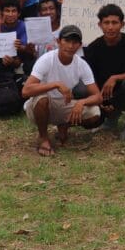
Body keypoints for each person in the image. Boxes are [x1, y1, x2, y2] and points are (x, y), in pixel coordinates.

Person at [21, 25, 105, 156]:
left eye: (75, 42)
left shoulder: (81, 64)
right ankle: (43, 137)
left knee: (95, 113)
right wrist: (55, 84)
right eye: (67, 41)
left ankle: (64, 125)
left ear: (80, 45)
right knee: (42, 98)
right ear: (58, 41)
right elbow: (26, 91)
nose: (71, 46)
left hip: (64, 104)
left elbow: (98, 96)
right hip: (41, 105)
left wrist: (81, 102)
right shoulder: (46, 59)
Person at [84, 4, 125, 139]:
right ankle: (110, 118)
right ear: (99, 24)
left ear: (122, 24)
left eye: (114, 22)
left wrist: (115, 78)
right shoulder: (94, 47)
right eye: (106, 23)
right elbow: (89, 78)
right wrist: (99, 101)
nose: (110, 27)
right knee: (83, 95)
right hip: (103, 92)